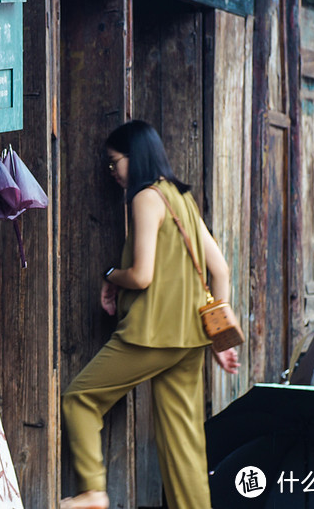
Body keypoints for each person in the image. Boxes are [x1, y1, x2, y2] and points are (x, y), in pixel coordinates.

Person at [59, 121, 240, 509]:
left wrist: (111, 275)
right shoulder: (180, 198)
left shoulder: (146, 197)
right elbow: (221, 270)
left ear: (135, 156)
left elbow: (141, 276)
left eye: (114, 162)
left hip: (152, 334)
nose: (112, 173)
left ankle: (93, 490)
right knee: (184, 441)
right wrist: (219, 340)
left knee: (80, 399)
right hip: (191, 339)